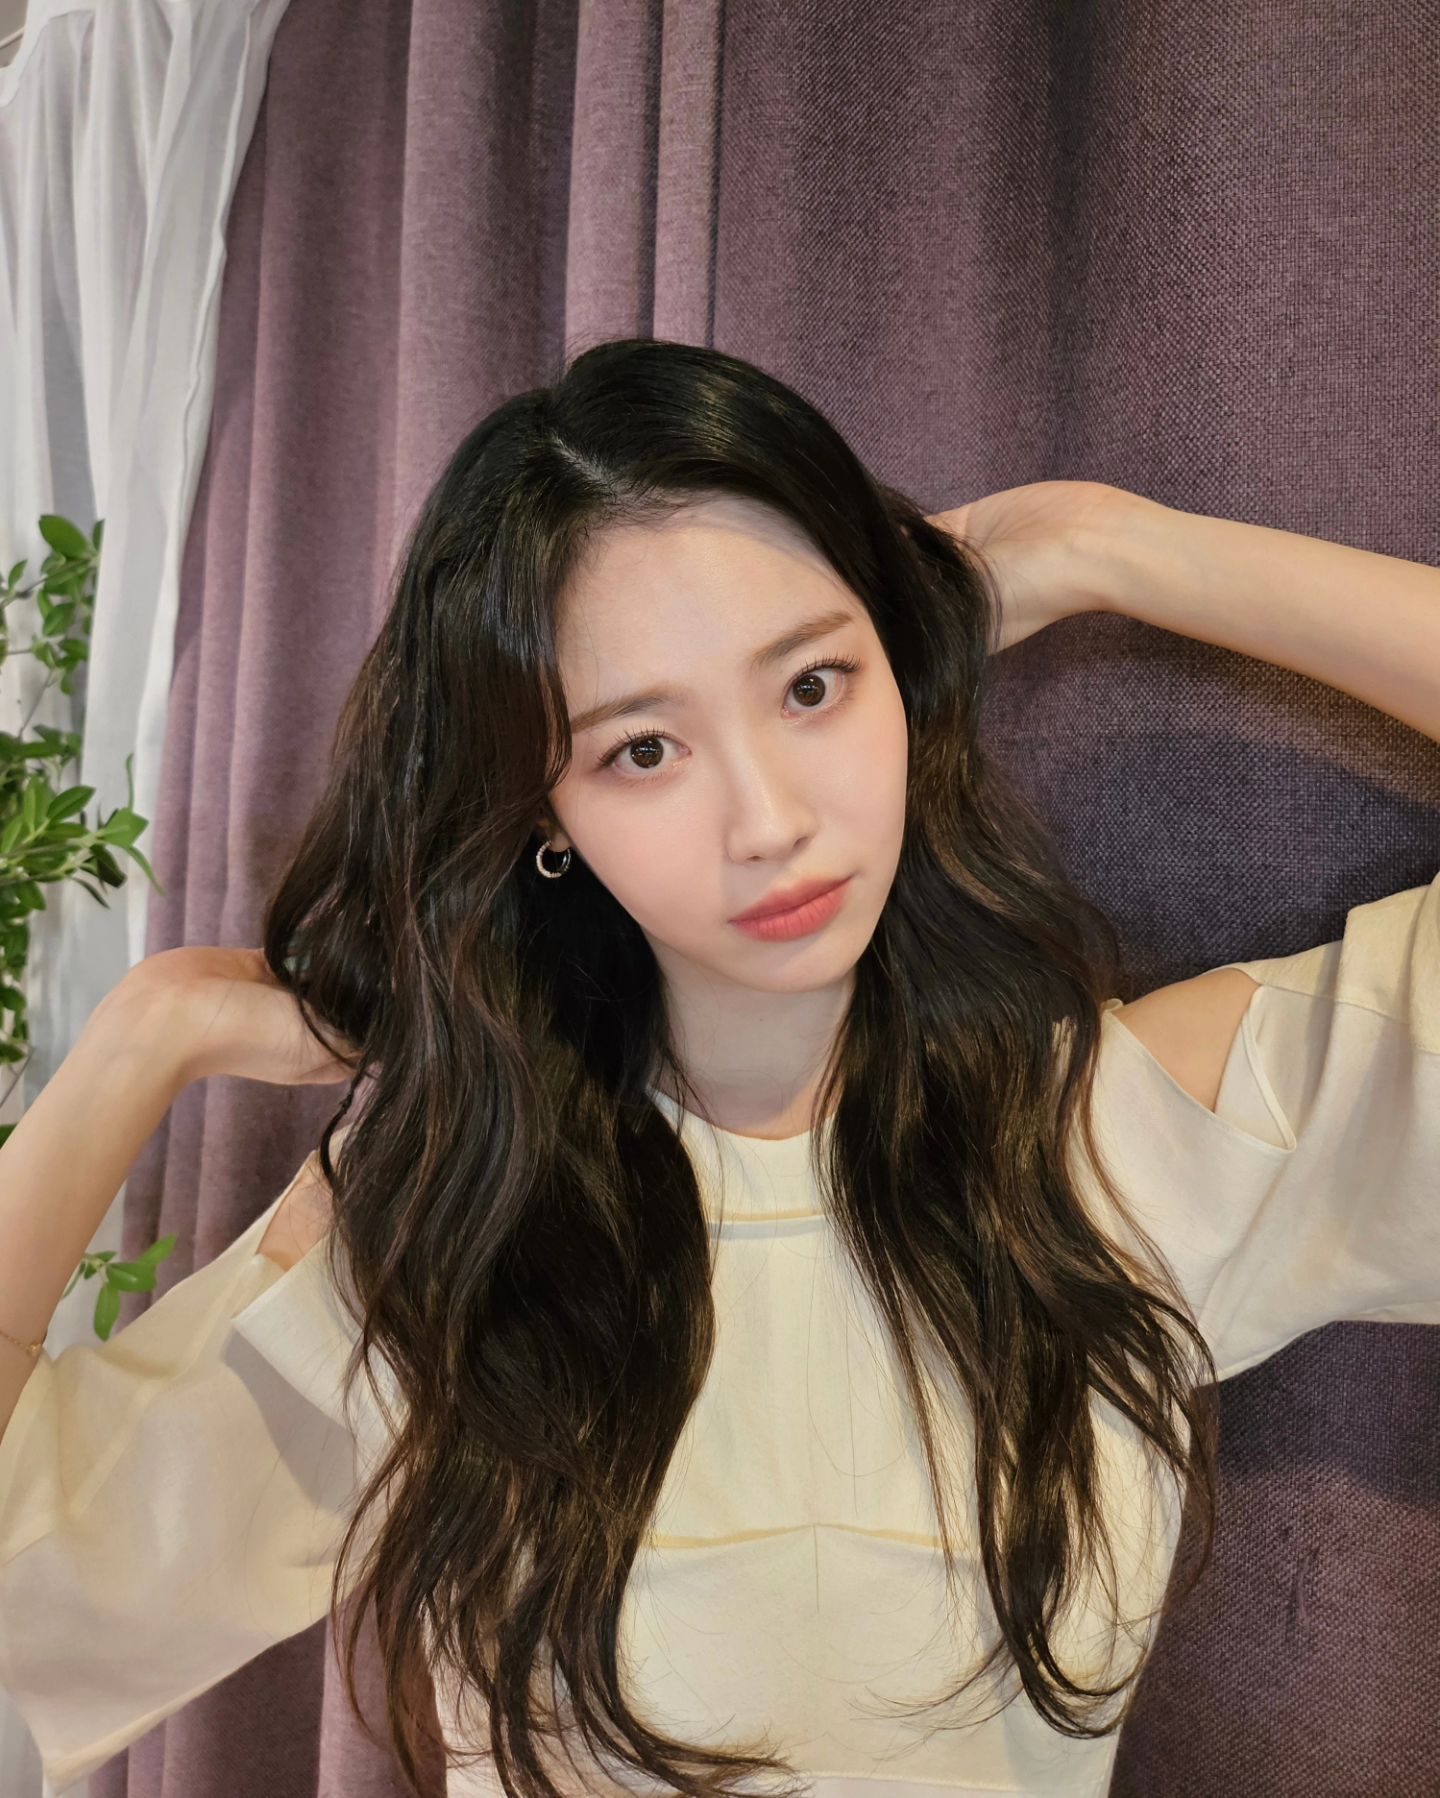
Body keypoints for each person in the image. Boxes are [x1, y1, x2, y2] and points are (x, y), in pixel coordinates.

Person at [0, 337, 1435, 1798]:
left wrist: (1108, 546)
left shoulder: (1123, 1141)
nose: (768, 819)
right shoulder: (454, 1234)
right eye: (642, 750)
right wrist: (147, 1034)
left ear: (900, 673)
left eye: (813, 684)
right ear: (547, 815)